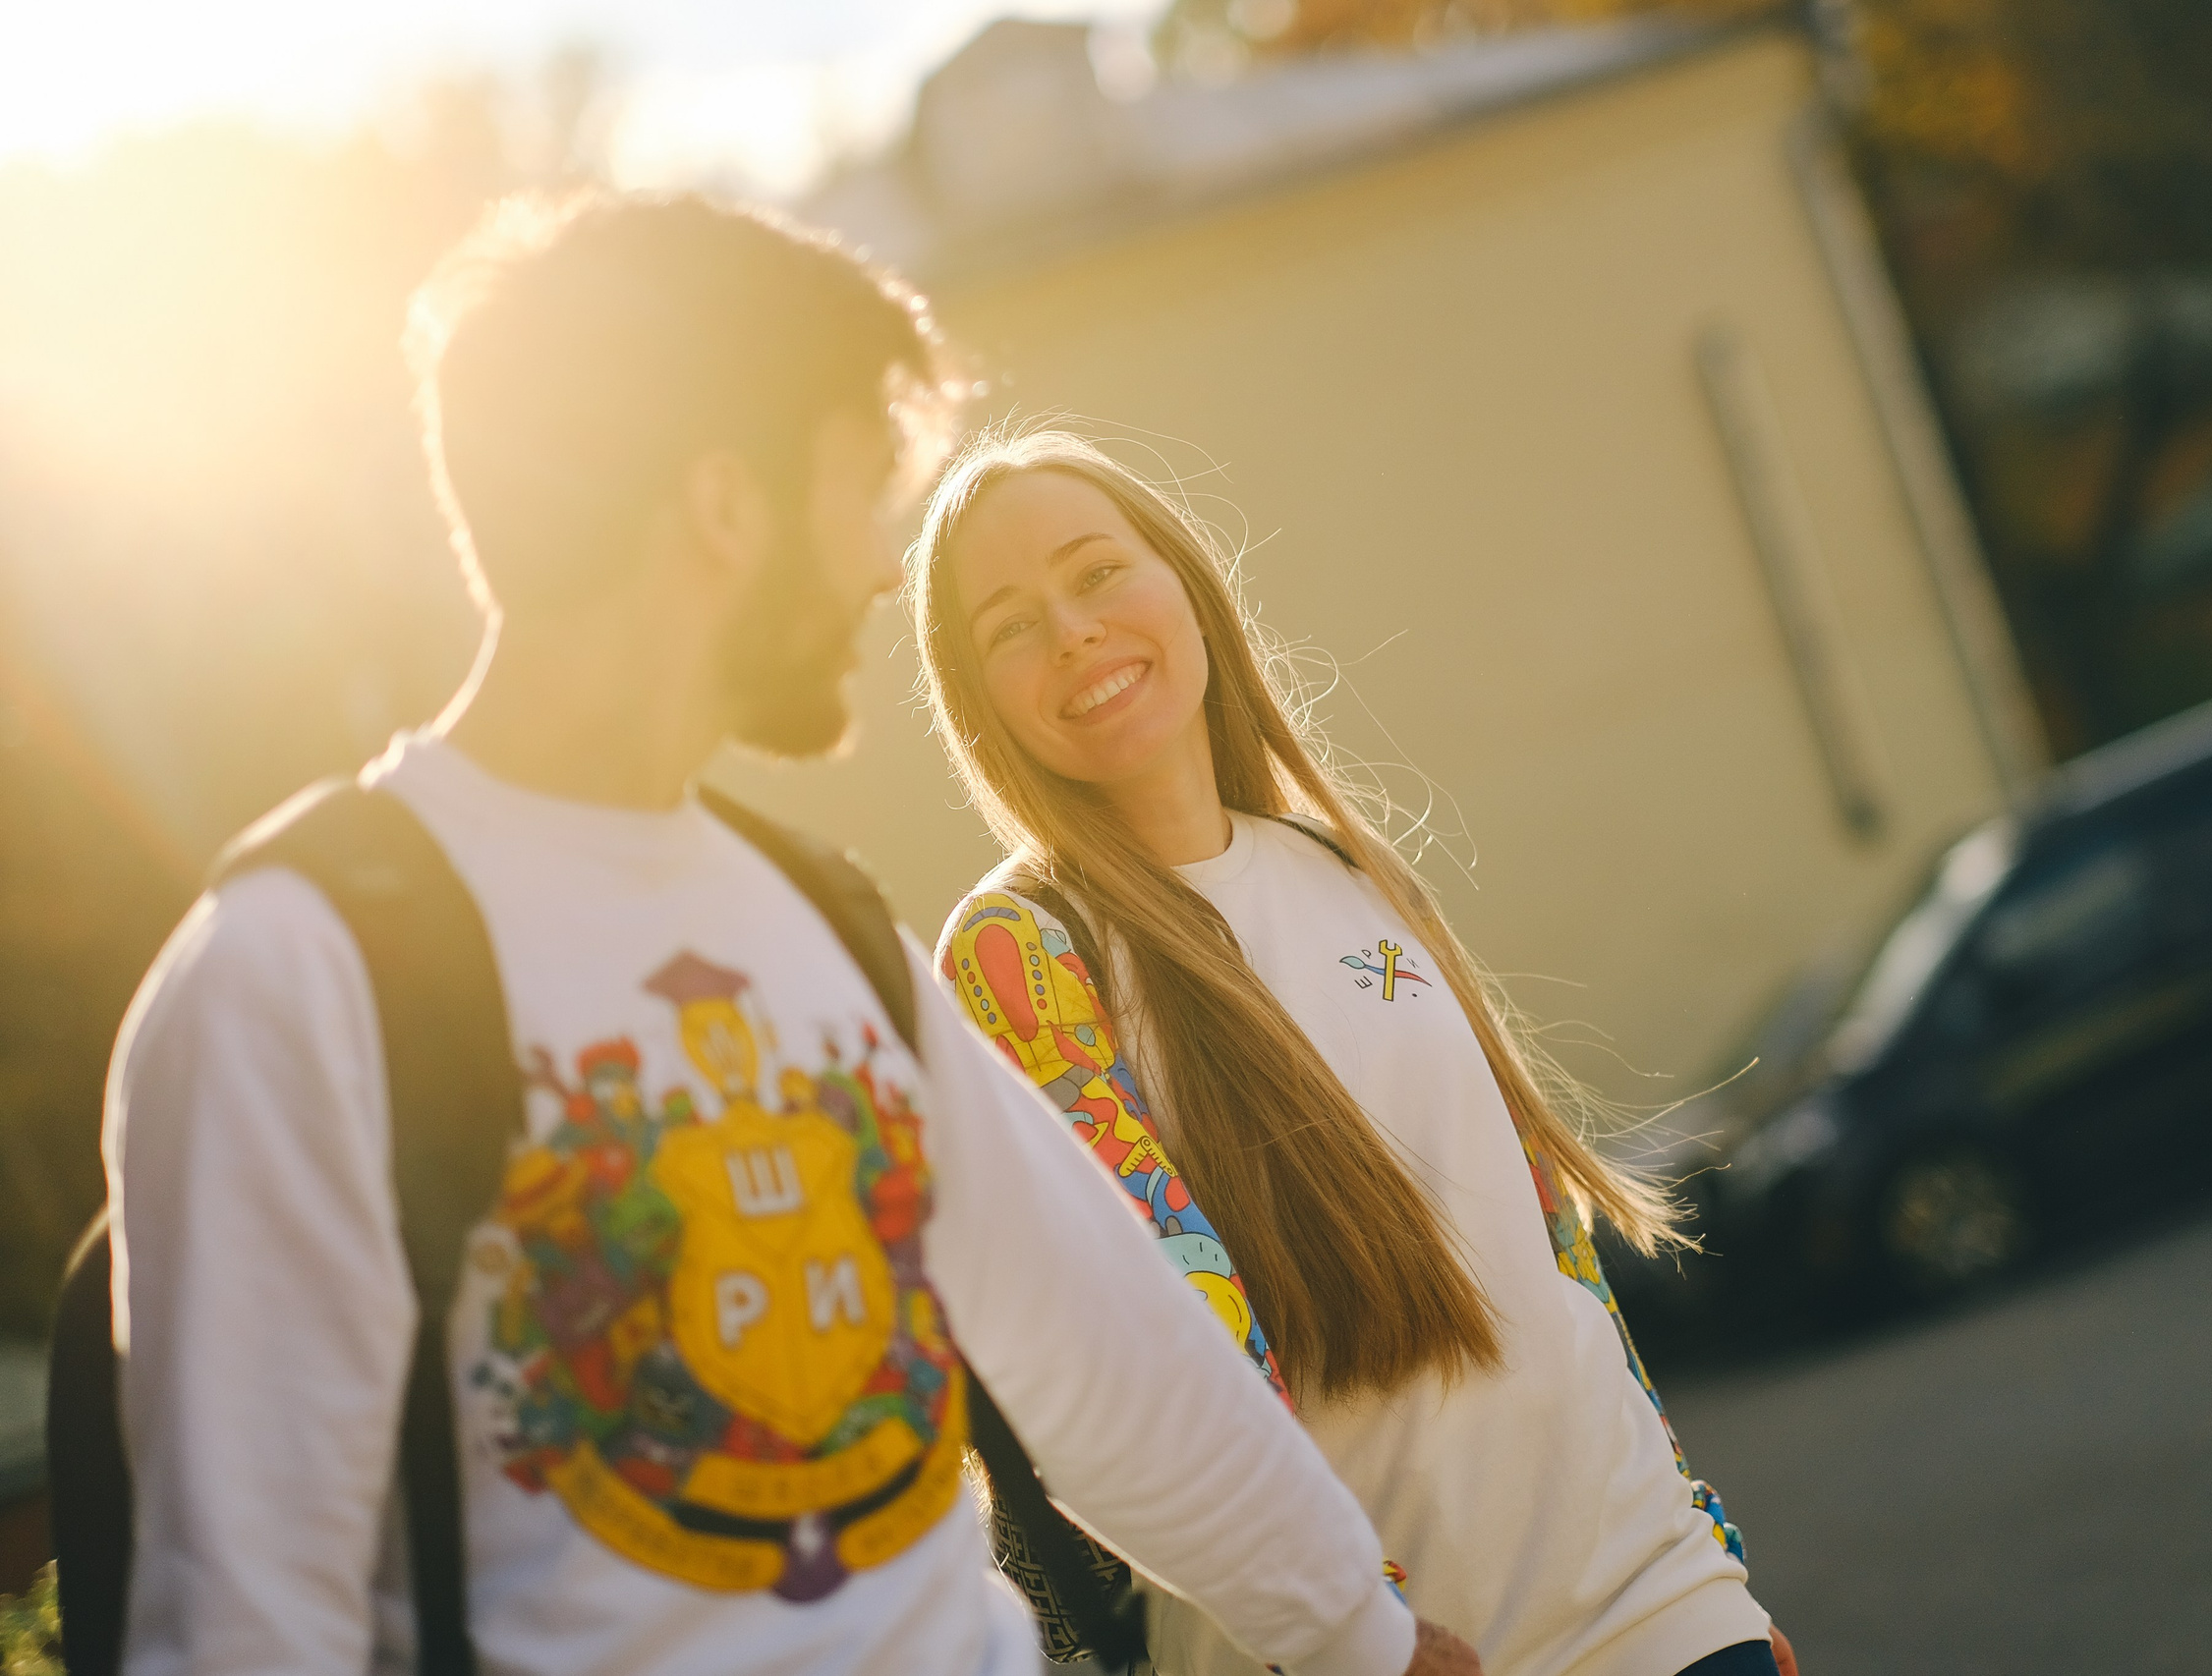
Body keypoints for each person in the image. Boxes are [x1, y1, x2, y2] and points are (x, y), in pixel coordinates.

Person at [102, 194, 1482, 1676]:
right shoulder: (293, 976)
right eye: (859, 489)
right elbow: (246, 1625)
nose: (884, 570)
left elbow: (1121, 1367)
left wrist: (1371, 1641)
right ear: (726, 507)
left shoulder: (829, 926)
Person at [907, 429, 1801, 1676]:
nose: (1071, 632)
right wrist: (1361, 1636)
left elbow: (1548, 1247)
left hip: (1659, 1610)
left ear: (1183, 581)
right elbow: (1150, 1361)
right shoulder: (1021, 949)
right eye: (1010, 625)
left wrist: (1705, 1558)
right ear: (980, 702)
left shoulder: (1346, 867)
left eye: (1098, 571)